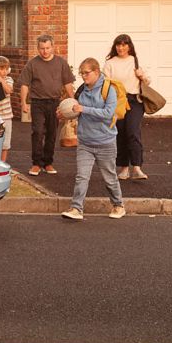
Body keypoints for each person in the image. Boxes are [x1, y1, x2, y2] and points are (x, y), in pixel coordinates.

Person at [60, 58, 124, 221]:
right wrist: (65, 111)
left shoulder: (108, 89)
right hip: (85, 142)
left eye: (86, 73)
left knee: (110, 178)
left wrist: (84, 109)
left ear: (96, 72)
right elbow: (75, 108)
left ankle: (118, 205)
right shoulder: (82, 89)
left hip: (105, 142)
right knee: (82, 176)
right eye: (81, 73)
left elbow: (108, 113)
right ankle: (76, 208)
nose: (83, 76)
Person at [20, 34, 75, 176]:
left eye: (47, 48)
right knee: (38, 132)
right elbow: (25, 84)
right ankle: (36, 163)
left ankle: (48, 163)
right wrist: (23, 103)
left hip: (55, 103)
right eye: (42, 48)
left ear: (53, 47)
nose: (45, 51)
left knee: (52, 133)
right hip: (37, 103)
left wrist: (73, 100)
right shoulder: (32, 64)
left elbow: (68, 83)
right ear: (38, 48)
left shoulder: (61, 63)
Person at [102, 34, 151, 180]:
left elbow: (148, 82)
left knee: (133, 131)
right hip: (117, 101)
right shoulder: (110, 63)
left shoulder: (135, 61)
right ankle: (124, 169)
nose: (120, 48)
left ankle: (137, 167)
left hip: (135, 101)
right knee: (120, 134)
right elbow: (105, 83)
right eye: (118, 45)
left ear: (129, 46)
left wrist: (141, 76)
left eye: (124, 45)